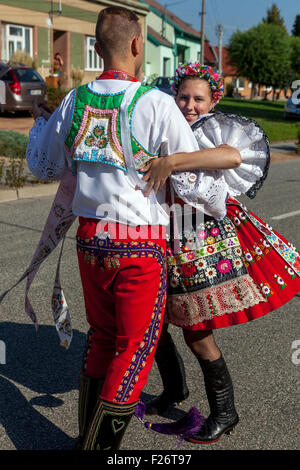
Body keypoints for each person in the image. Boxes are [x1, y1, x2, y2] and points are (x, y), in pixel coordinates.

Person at [24, 10, 241, 451]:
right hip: (139, 248)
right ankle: (99, 450)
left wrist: (42, 124)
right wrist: (220, 196)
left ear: (98, 47)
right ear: (138, 45)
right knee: (133, 351)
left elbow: (44, 164)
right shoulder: (156, 103)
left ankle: (86, 438)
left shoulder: (74, 99)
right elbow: (191, 184)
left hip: (90, 243)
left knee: (103, 340)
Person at [141, 62, 300, 444]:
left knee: (197, 333)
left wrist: (172, 161)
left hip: (202, 242)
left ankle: (225, 412)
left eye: (198, 98)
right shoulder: (166, 125)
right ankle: (174, 389)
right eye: (183, 96)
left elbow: (231, 156)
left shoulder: (212, 130)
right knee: (157, 320)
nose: (189, 105)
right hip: (167, 235)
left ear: (214, 101)